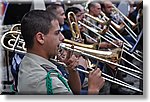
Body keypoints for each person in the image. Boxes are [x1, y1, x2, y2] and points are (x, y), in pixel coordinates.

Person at [18, 9, 105, 95]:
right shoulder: (47, 81)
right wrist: (94, 89)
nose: (62, 38)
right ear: (40, 38)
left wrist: (72, 71)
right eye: (57, 33)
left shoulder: (33, 61)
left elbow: (74, 92)